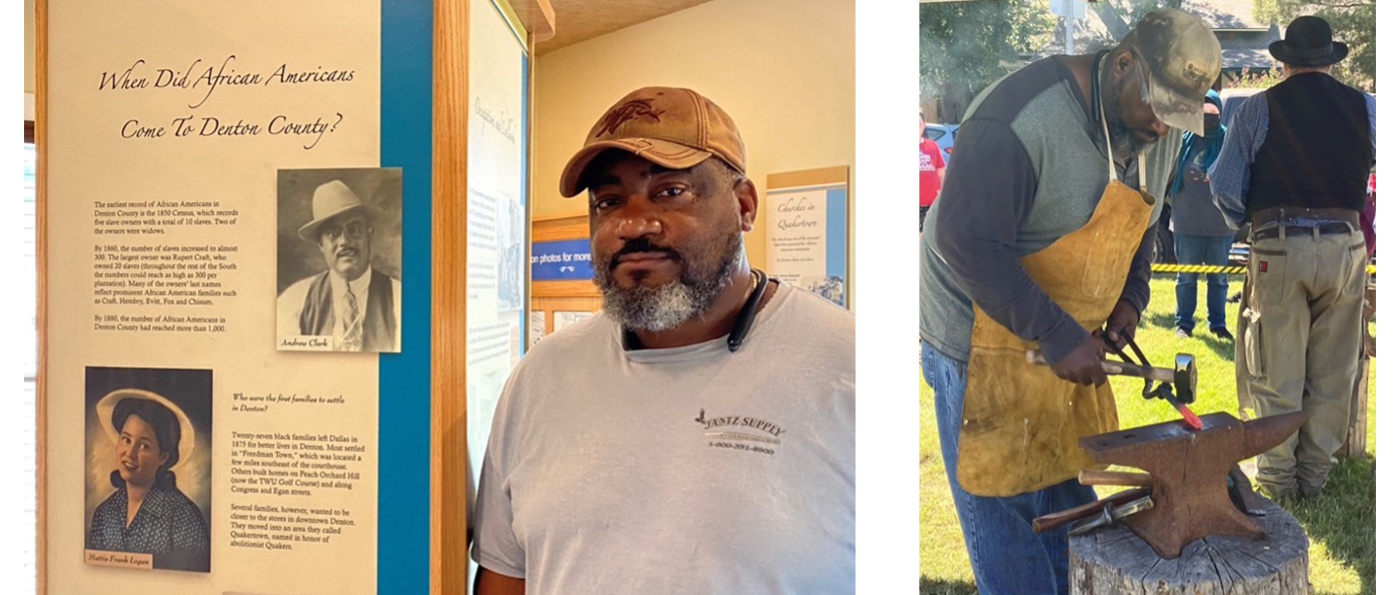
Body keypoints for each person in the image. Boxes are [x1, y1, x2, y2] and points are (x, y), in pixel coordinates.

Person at [471, 86, 855, 595]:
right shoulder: (539, 376)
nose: (631, 223)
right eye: (608, 201)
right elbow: (505, 575)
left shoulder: (850, 365)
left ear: (743, 206)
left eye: (671, 191)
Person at [919, 9, 1218, 594]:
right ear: (1122, 64)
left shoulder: (1160, 129)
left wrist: (1130, 298)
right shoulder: (1018, 119)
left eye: (1176, 117)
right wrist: (1056, 335)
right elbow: (967, 242)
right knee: (1009, 508)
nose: (1162, 130)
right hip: (978, 336)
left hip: (1062, 328)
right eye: (1157, 110)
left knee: (1066, 494)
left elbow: (1143, 221)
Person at [1209, 15, 1374, 500]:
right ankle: (1313, 479)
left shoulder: (1259, 109)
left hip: (1280, 245)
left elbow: (1222, 186)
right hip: (1346, 246)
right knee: (1334, 369)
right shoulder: (1365, 107)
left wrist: (1250, 221)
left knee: (1275, 368)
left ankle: (1279, 484)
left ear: (1284, 64)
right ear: (1328, 61)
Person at [87, 392, 210, 572]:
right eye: (126, 440)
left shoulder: (184, 517)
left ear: (162, 457)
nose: (130, 453)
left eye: (144, 446)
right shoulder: (104, 514)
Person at [276, 179, 401, 352]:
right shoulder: (294, 302)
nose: (344, 241)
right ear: (321, 244)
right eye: (333, 233)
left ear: (369, 234)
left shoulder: (400, 299)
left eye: (354, 230)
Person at [1168, 90, 1235, 340]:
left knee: (1218, 280)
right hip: (1186, 223)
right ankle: (1183, 324)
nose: (1209, 118)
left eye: (1214, 114)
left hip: (1220, 225)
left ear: (1220, 112)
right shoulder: (1183, 140)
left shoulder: (1230, 140)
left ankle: (1217, 324)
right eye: (1204, 113)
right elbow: (1168, 173)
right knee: (1185, 278)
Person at [920, 108, 947, 231]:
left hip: (932, 204)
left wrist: (941, 196)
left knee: (930, 236)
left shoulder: (932, 146)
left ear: (924, 125)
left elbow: (941, 174)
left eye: (918, 124)